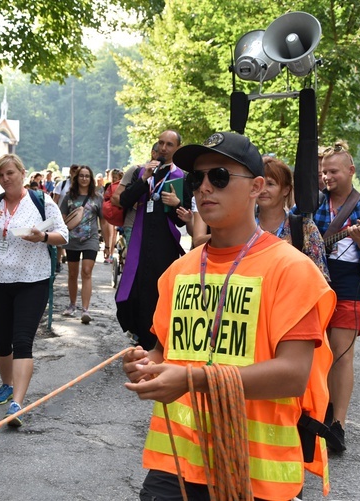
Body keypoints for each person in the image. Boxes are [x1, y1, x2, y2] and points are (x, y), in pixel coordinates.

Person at [123, 131, 336, 501]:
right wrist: (147, 366)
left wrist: (190, 380)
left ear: (256, 187)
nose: (205, 187)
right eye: (197, 179)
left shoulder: (292, 269)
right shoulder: (178, 272)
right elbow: (164, 353)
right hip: (177, 465)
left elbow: (292, 376)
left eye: (218, 177)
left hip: (257, 472)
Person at [0, 153, 69, 426]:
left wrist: (43, 237)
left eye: (10, 173)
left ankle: (17, 403)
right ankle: (6, 384)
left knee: (23, 340)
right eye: (0, 175)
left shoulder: (41, 201)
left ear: (22, 173)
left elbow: (64, 234)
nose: (5, 179)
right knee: (1, 342)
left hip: (33, 280)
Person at [314, 140, 360, 452]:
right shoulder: (312, 202)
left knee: (341, 353)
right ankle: (317, 410)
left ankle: (338, 423)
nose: (328, 176)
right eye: (324, 171)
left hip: (350, 284)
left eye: (333, 171)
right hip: (315, 280)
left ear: (351, 171)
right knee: (315, 349)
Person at [115, 130, 190, 350]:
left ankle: (154, 341)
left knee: (157, 292)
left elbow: (182, 222)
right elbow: (124, 201)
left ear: (177, 149)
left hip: (163, 246)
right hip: (139, 240)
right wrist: (144, 179)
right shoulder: (145, 172)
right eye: (161, 143)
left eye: (169, 144)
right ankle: (139, 333)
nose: (164, 148)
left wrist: (176, 203)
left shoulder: (180, 178)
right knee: (134, 291)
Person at [258, 155, 330, 282]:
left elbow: (320, 279)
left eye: (270, 184)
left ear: (286, 189)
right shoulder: (243, 227)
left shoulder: (305, 228)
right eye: (259, 184)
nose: (263, 190)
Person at [59, 165, 103, 324]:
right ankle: (72, 304)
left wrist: (107, 243)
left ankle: (85, 309)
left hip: (90, 239)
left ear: (91, 179)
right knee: (72, 273)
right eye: (81, 176)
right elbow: (62, 219)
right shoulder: (69, 197)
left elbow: (103, 221)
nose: (84, 178)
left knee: (86, 271)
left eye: (87, 176)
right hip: (72, 240)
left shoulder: (97, 197)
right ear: (76, 178)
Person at [111, 142, 160, 246]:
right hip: (133, 224)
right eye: (161, 153)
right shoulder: (136, 170)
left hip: (155, 226)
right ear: (153, 153)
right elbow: (115, 198)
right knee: (134, 260)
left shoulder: (169, 174)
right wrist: (134, 203)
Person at [53, 164, 80, 273]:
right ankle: (57, 262)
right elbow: (55, 199)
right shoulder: (62, 184)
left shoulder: (81, 186)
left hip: (75, 216)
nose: (74, 173)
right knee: (59, 241)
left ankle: (70, 259)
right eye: (73, 171)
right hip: (61, 215)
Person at [101, 169, 124, 263]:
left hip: (115, 212)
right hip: (114, 212)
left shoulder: (117, 186)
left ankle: (110, 253)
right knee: (111, 233)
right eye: (113, 177)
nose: (114, 179)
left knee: (113, 234)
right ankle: (109, 254)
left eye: (115, 177)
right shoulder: (111, 186)